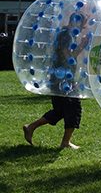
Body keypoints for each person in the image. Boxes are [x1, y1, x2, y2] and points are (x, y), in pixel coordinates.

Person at [23, 13, 88, 149]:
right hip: (63, 79)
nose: (84, 26)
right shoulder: (67, 35)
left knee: (60, 110)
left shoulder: (64, 33)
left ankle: (31, 127)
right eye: (83, 24)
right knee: (74, 108)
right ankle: (65, 143)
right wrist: (82, 45)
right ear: (76, 23)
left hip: (57, 77)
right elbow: (68, 57)